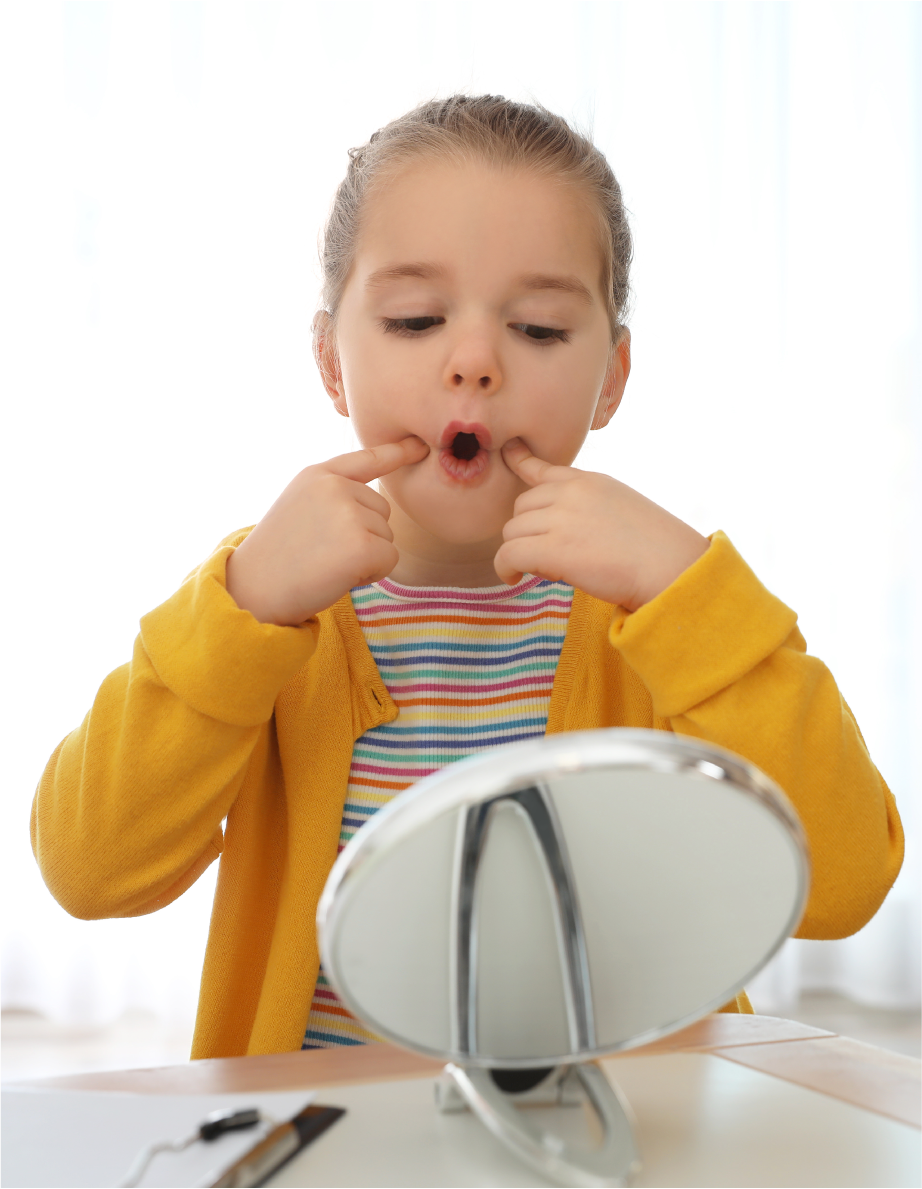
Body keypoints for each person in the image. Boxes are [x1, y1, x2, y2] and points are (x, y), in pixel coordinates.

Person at [32, 95, 903, 1059]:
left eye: (537, 329)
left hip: (616, 1148)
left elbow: (843, 884)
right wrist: (238, 607)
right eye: (415, 318)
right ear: (331, 362)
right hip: (327, 1143)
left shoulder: (658, 616)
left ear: (611, 377)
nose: (476, 361)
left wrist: (691, 595)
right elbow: (89, 869)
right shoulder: (267, 603)